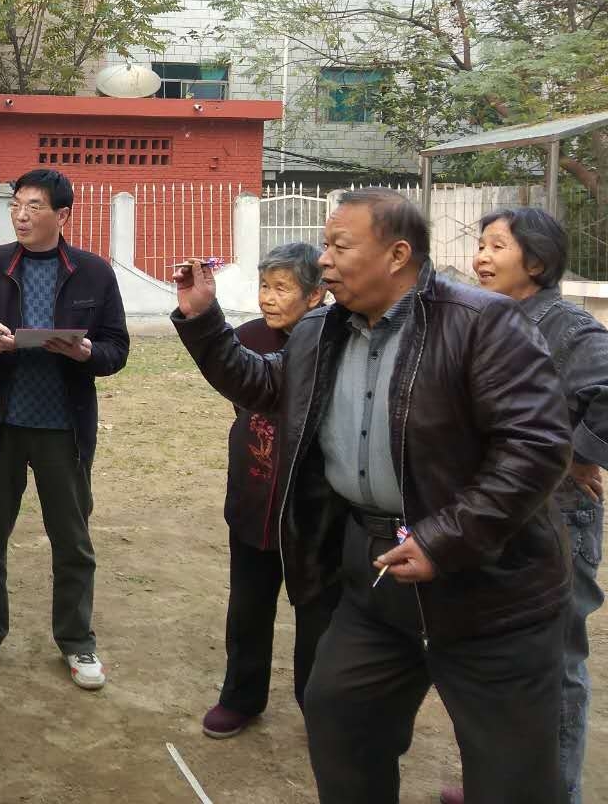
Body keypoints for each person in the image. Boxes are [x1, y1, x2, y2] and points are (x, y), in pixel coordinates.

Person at [172, 188, 571, 804]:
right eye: (324, 245)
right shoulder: (320, 329)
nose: (323, 260)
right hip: (375, 580)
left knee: (509, 777)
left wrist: (444, 539)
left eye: (339, 245)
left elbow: (536, 446)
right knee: (341, 720)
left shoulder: (481, 323)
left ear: (397, 254)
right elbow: (266, 385)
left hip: (492, 594)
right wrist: (203, 322)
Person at [442, 207, 608, 804]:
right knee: (494, 656)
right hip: (495, 511)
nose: (481, 257)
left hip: (557, 517)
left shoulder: (568, 327)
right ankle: (498, 783)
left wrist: (576, 455)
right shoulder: (485, 319)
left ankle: (555, 793)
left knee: (555, 665)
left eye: (497, 246)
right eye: (481, 245)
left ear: (536, 261)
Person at [0, 168, 129, 690]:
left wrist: (87, 352)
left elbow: (117, 348)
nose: (21, 216)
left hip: (62, 430)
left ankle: (76, 640)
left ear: (62, 215)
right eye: (16, 205)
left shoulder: (93, 273)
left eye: (34, 207)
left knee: (72, 541)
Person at [201, 242, 337, 740]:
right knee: (248, 606)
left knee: (318, 616)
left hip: (312, 510)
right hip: (254, 497)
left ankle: (319, 708)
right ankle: (241, 697)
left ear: (316, 295)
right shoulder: (247, 340)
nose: (268, 298)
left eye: (282, 288)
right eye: (264, 285)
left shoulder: (334, 341)